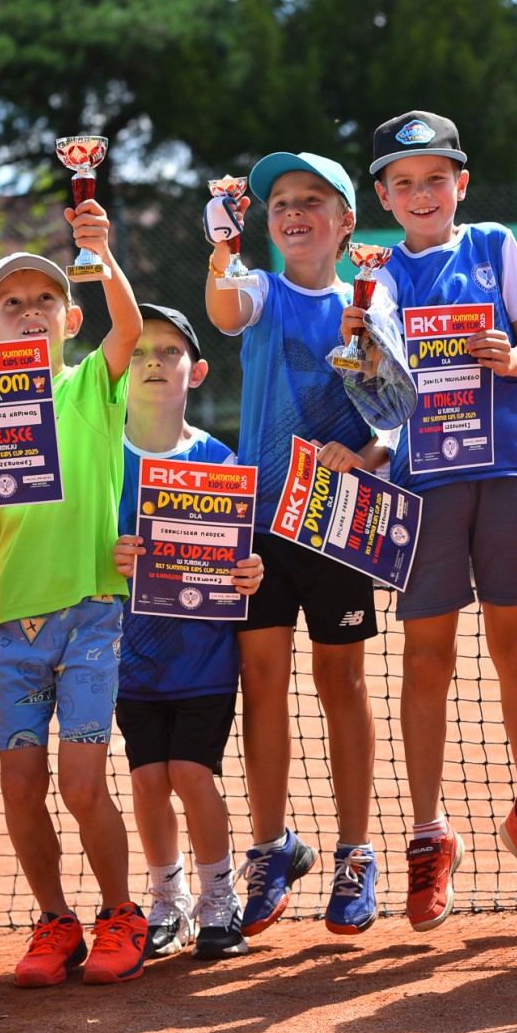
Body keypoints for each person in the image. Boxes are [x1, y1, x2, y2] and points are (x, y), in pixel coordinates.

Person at [0, 197, 150, 986]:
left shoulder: (91, 385)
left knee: (83, 783)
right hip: (13, 622)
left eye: (44, 300)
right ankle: (56, 921)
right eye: (10, 304)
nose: (29, 312)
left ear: (70, 318)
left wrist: (102, 253)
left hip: (92, 611)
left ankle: (124, 912)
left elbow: (130, 331)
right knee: (21, 784)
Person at [356, 110, 517, 932]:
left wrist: (509, 360)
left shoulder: (493, 245)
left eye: (435, 177)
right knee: (425, 658)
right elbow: (379, 400)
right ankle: (426, 835)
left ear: (461, 184)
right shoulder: (377, 277)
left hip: (507, 467)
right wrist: (370, 449)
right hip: (424, 484)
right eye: (403, 182)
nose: (421, 193)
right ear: (382, 194)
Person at [204, 151, 385, 937]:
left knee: (342, 683)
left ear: (346, 224)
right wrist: (221, 245)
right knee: (261, 684)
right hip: (257, 525)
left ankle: (354, 855)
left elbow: (393, 415)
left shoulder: (374, 304)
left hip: (338, 519)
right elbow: (220, 308)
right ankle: (271, 848)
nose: (295, 211)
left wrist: (367, 454)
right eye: (281, 201)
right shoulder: (259, 291)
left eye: (314, 200)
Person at [109, 303, 263, 960]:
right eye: (139, 350)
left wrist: (250, 570)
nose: (151, 360)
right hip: (128, 661)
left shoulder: (219, 462)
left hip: (203, 661)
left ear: (194, 370)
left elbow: (238, 555)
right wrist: (107, 558)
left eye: (168, 351)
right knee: (147, 780)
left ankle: (219, 901)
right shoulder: (101, 462)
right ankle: (166, 902)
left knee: (192, 774)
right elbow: (79, 548)